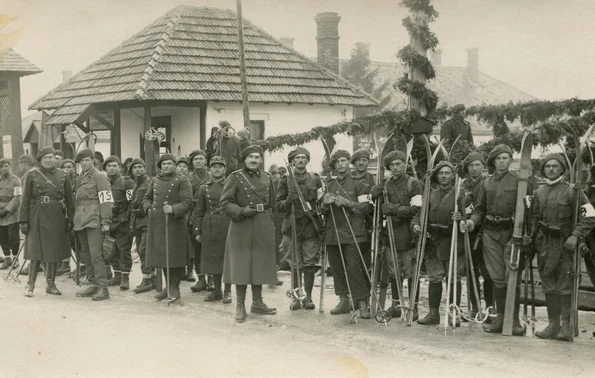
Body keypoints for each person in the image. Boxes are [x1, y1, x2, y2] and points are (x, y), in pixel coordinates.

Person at [461, 144, 529, 336]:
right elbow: (480, 209)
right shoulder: (486, 183)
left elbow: (529, 209)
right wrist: (472, 224)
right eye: (498, 159)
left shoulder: (520, 181)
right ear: (493, 162)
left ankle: (513, 321)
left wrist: (524, 233)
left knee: (512, 276)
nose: (501, 161)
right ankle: (500, 319)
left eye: (505, 158)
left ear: (510, 161)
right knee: (498, 278)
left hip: (512, 233)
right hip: (491, 233)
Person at [529, 154, 595, 341]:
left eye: (555, 166)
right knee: (549, 284)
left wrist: (575, 235)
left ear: (562, 169)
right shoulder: (538, 193)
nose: (551, 169)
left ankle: (566, 327)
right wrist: (532, 241)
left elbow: (590, 216)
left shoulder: (573, 191)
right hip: (545, 245)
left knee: (564, 285)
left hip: (565, 245)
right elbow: (534, 220)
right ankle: (553, 325)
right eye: (547, 166)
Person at [220, 145, 278, 323]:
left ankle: (258, 302)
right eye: (250, 157)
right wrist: (242, 211)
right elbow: (225, 203)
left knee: (260, 263)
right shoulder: (235, 177)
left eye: (257, 157)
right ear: (244, 160)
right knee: (241, 265)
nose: (254, 160)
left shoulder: (268, 178)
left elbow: (273, 203)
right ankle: (240, 305)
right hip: (241, 225)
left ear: (261, 160)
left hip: (262, 225)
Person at [371, 150, 422, 320]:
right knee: (394, 272)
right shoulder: (385, 184)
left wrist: (393, 209)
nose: (395, 167)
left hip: (408, 234)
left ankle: (413, 307)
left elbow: (416, 209)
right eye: (392, 165)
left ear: (405, 164)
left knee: (410, 272)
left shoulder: (413, 184)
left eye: (398, 163)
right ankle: (396, 305)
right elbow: (375, 209)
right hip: (390, 233)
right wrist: (374, 193)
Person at [414, 161, 467, 326]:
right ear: (436, 176)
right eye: (441, 173)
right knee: (435, 277)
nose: (444, 176)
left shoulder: (461, 194)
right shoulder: (430, 194)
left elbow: (471, 216)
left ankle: (453, 314)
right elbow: (419, 214)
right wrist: (415, 224)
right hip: (434, 241)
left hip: (452, 240)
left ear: (452, 176)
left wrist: (462, 219)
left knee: (453, 277)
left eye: (447, 173)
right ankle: (433, 313)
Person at [321, 149, 371, 319]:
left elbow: (367, 207)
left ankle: (362, 302)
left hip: (353, 233)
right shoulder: (329, 184)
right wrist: (326, 204)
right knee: (336, 268)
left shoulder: (360, 183)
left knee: (354, 267)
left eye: (343, 161)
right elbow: (322, 211)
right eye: (337, 162)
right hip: (333, 233)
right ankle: (344, 300)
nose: (341, 164)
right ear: (334, 165)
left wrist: (348, 203)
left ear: (348, 163)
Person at [18, 147, 74, 297]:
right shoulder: (32, 175)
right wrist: (23, 220)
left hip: (56, 216)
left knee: (53, 251)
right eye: (45, 158)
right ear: (40, 160)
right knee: (35, 250)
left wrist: (70, 219)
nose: (49, 160)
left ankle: (51, 284)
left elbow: (70, 199)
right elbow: (25, 199)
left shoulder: (63, 175)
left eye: (51, 157)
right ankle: (30, 285)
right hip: (36, 215)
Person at [276, 147, 322, 310]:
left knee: (309, 264)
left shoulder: (315, 180)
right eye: (297, 158)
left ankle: (308, 297)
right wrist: (289, 200)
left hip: (310, 227)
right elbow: (278, 206)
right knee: (295, 265)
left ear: (307, 160)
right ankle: (296, 297)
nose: (301, 160)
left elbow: (320, 202)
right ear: (292, 162)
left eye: (304, 157)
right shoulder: (284, 180)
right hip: (291, 227)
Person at [143, 154, 193, 302]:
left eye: (169, 163)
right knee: (163, 256)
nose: (166, 166)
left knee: (174, 257)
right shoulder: (155, 180)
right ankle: (168, 287)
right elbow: (146, 198)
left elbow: (188, 202)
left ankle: (175, 288)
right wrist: (149, 209)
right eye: (163, 164)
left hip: (175, 224)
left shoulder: (182, 180)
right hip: (158, 223)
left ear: (174, 165)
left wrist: (173, 209)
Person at [73, 148, 114, 301]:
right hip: (81, 220)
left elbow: (107, 200)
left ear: (93, 160)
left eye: (87, 160)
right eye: (81, 161)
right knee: (87, 254)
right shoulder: (80, 178)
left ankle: (103, 287)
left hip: (94, 219)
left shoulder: (99, 177)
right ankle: (93, 283)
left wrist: (105, 221)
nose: (84, 163)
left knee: (96, 254)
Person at [193, 156, 232, 303]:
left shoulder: (231, 184)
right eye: (214, 166)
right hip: (209, 226)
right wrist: (197, 231)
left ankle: (228, 291)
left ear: (224, 169)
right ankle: (217, 291)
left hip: (227, 224)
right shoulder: (204, 188)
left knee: (227, 259)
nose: (217, 169)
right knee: (213, 259)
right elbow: (199, 211)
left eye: (220, 166)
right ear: (210, 169)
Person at [460, 151, 493, 318]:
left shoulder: (488, 183)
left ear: (483, 167)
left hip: (485, 233)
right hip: (467, 234)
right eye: (471, 166)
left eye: (477, 165)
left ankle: (490, 307)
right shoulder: (461, 185)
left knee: (488, 271)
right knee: (471, 269)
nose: (474, 169)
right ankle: (474, 307)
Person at [103, 156, 134, 290]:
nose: (112, 168)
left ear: (120, 167)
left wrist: (125, 217)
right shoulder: (102, 182)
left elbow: (131, 202)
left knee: (124, 250)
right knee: (111, 250)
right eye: (109, 166)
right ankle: (117, 276)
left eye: (114, 166)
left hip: (122, 222)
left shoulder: (126, 182)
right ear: (105, 168)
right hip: (108, 221)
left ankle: (125, 278)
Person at [128, 158, 154, 294]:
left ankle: (147, 280)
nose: (138, 170)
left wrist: (142, 210)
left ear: (144, 169)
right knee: (139, 249)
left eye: (140, 167)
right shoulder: (134, 184)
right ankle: (153, 278)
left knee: (144, 249)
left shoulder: (149, 182)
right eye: (135, 168)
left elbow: (151, 200)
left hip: (147, 220)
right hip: (136, 222)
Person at [187, 149, 211, 291]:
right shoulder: (187, 178)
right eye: (195, 159)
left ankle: (212, 279)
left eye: (201, 159)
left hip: (209, 214)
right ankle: (201, 279)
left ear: (205, 161)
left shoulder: (212, 176)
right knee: (197, 249)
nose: (198, 161)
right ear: (192, 162)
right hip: (193, 215)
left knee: (210, 248)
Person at [0, 158, 22, 270]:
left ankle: (15, 259)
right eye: (2, 166)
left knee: (13, 237)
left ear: (10, 167)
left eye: (6, 166)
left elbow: (17, 197)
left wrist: (7, 210)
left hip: (11, 213)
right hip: (0, 213)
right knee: (2, 236)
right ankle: (7, 258)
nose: (5, 168)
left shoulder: (16, 180)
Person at [57, 159, 77, 276]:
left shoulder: (77, 180)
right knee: (63, 239)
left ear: (74, 168)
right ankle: (65, 263)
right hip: (62, 213)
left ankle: (81, 265)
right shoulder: (60, 181)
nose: (67, 169)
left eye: (69, 167)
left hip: (75, 212)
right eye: (64, 167)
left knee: (74, 240)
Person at [176, 156, 194, 282]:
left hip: (191, 214)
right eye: (179, 166)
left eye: (184, 167)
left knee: (190, 245)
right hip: (177, 214)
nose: (182, 169)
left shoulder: (190, 180)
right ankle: (180, 270)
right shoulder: (173, 180)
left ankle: (190, 270)